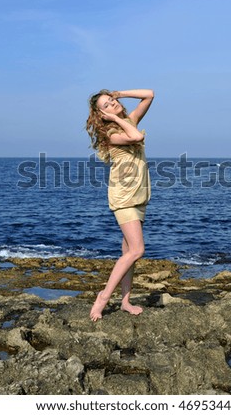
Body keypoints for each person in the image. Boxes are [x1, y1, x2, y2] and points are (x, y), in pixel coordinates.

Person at [86, 89, 154, 321]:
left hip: (139, 195)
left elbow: (149, 95)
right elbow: (137, 138)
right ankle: (103, 298)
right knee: (137, 250)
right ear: (101, 113)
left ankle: (125, 301)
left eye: (113, 100)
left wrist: (120, 92)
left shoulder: (128, 122)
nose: (113, 103)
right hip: (124, 196)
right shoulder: (110, 133)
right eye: (108, 103)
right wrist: (115, 118)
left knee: (129, 252)